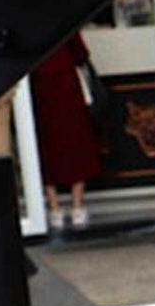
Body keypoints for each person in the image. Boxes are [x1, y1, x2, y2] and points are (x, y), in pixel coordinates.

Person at [29, 33, 102, 231]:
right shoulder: (62, 15)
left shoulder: (27, 18)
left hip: (37, 82)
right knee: (76, 140)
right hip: (65, 79)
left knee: (45, 144)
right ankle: (77, 206)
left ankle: (54, 209)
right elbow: (80, 52)